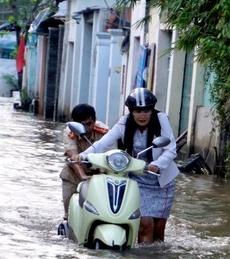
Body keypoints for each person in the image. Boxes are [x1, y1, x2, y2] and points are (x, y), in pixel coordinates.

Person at [75, 88, 179, 244]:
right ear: (131, 111)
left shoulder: (160, 119)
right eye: (138, 111)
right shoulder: (124, 122)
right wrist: (82, 155)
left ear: (151, 110)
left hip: (161, 180)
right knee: (145, 224)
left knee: (158, 229)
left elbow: (170, 149)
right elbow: (103, 143)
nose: (142, 115)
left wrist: (156, 165)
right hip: (138, 179)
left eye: (146, 110)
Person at [59, 104, 109, 221]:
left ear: (95, 121)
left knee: (100, 213)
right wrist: (82, 176)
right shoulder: (69, 131)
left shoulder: (105, 132)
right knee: (69, 215)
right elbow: (73, 156)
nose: (85, 129)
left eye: (89, 124)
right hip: (73, 175)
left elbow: (110, 158)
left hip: (97, 175)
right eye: (81, 125)